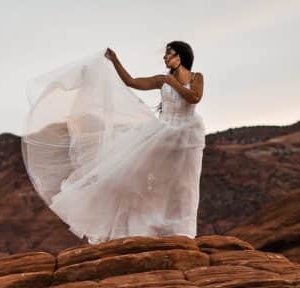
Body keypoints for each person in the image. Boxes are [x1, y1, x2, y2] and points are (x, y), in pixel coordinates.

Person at [21, 42, 206, 243]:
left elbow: (194, 97)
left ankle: (181, 229)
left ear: (180, 57)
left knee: (185, 184)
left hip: (188, 135)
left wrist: (172, 82)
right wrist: (116, 61)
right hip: (164, 133)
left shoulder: (196, 78)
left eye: (169, 53)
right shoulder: (163, 80)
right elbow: (132, 82)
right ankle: (149, 225)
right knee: (142, 175)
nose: (165, 57)